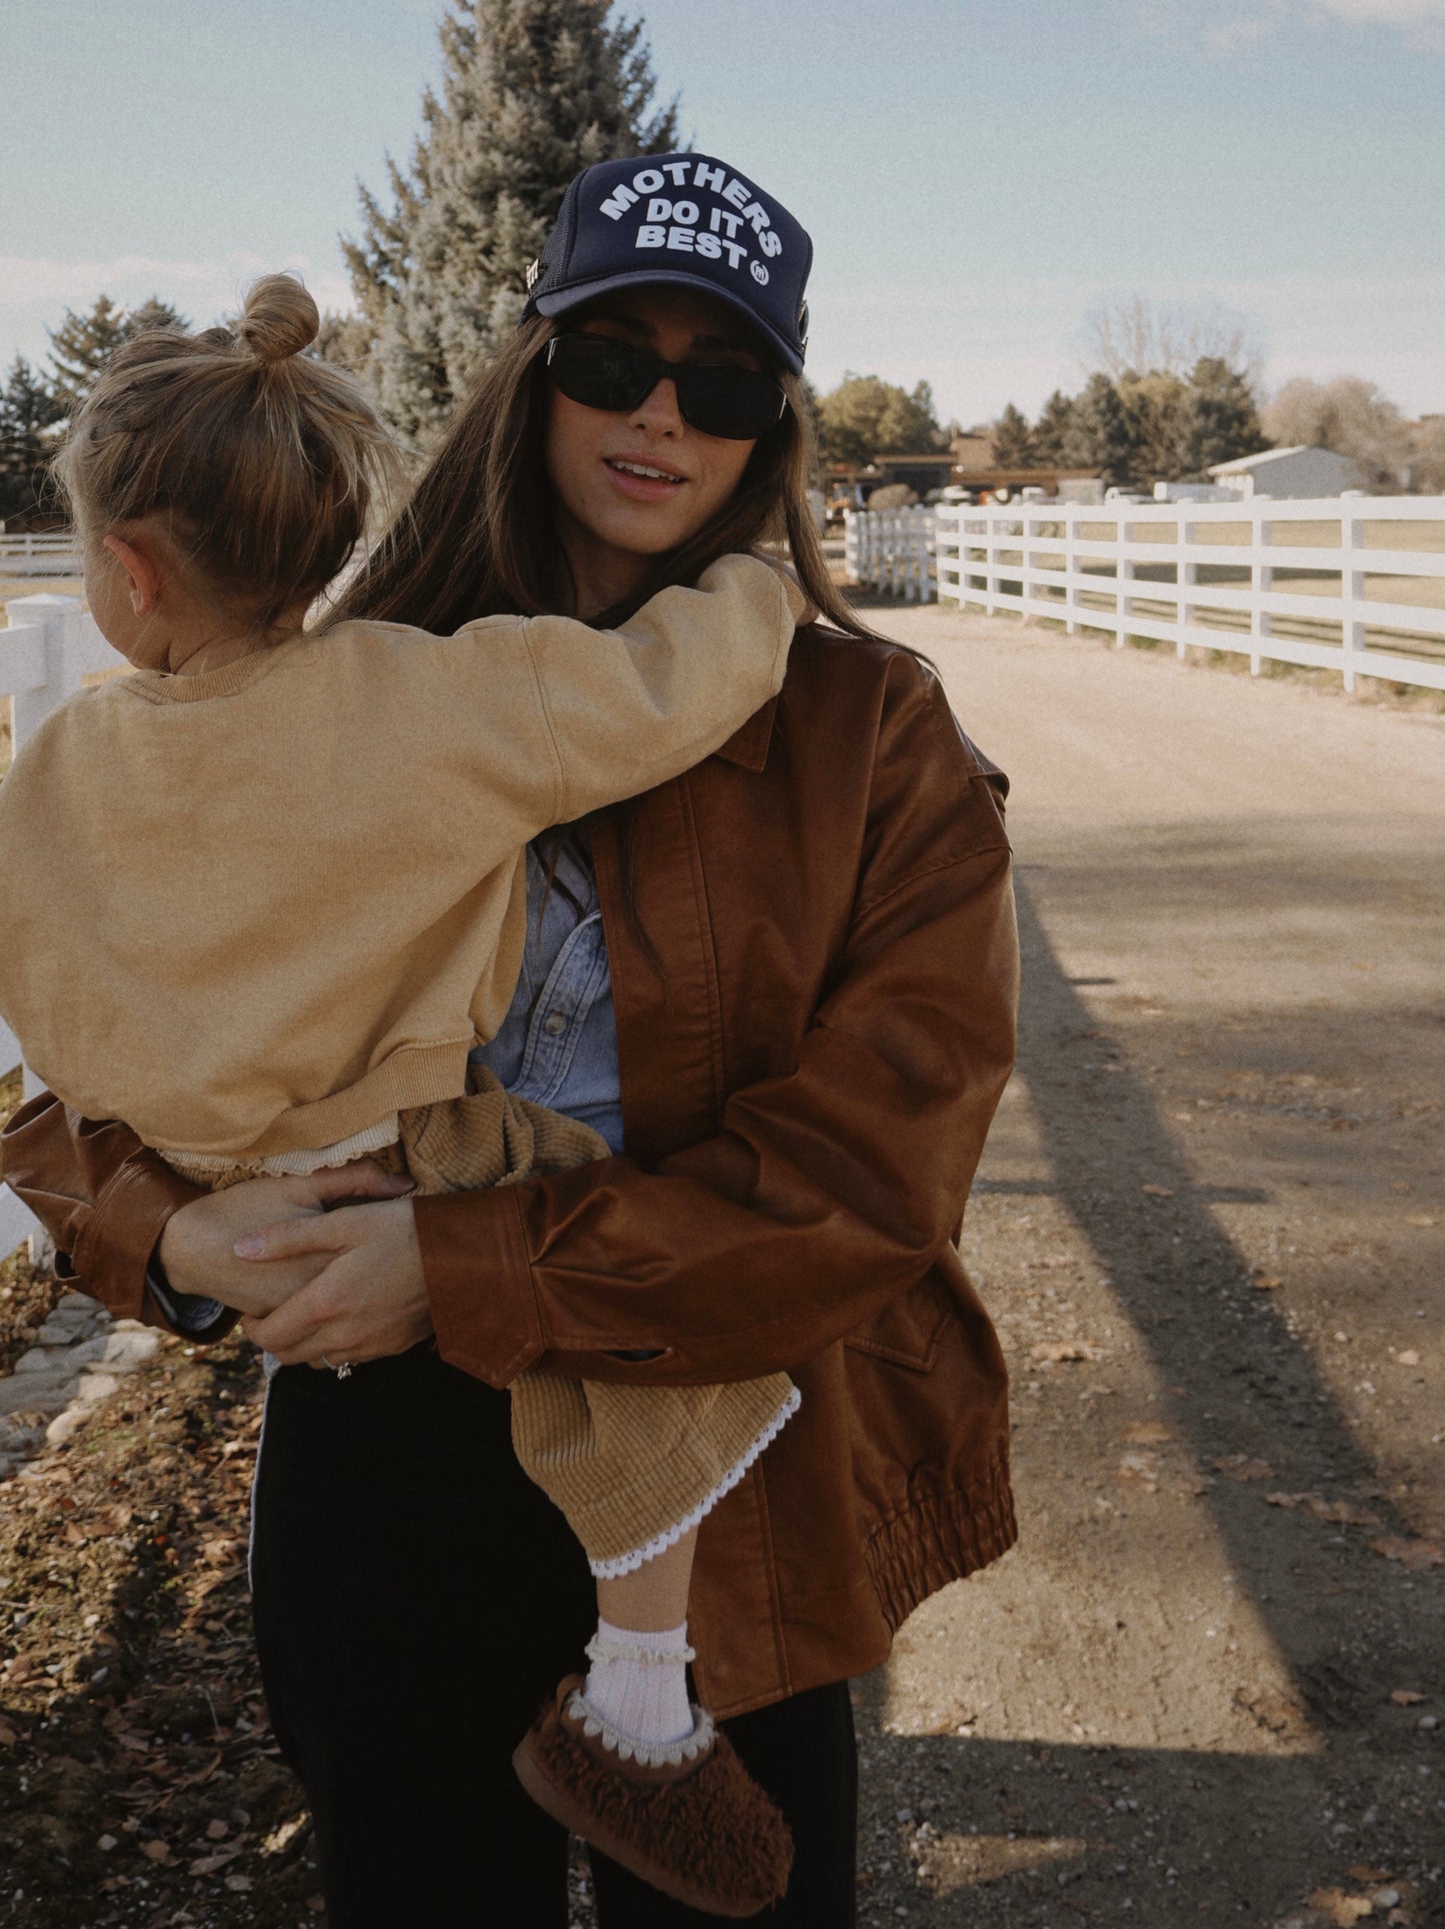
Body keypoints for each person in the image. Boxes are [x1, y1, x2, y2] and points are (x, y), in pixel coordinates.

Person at [2, 152, 1020, 1927]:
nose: (660, 414)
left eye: (723, 383)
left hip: (713, 1474)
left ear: (774, 429)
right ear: (530, 375)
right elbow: (82, 1071)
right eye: (611, 358)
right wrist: (169, 1235)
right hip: (380, 1470)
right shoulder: (342, 683)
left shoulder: (870, 736)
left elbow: (877, 1172)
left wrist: (466, 1265)